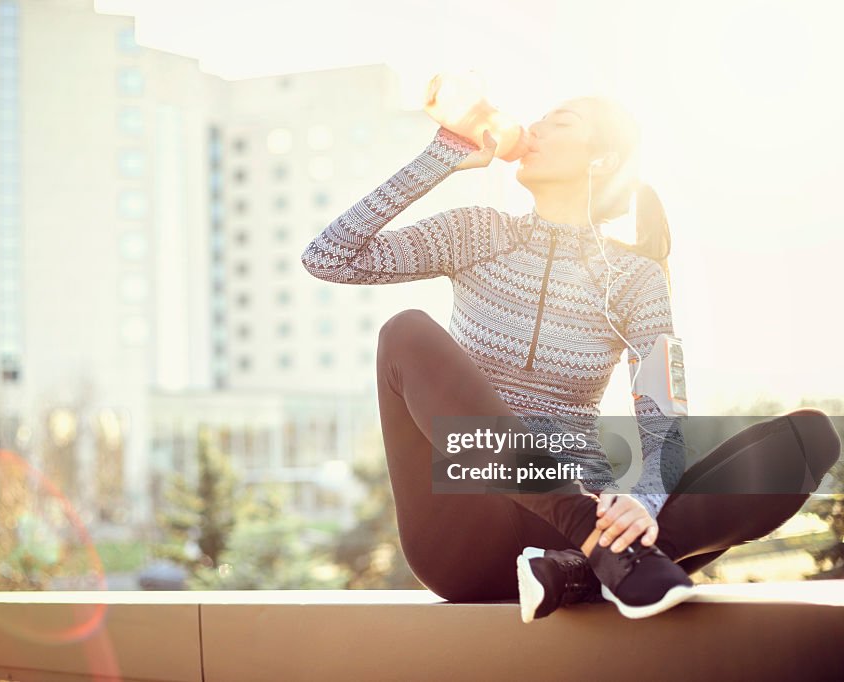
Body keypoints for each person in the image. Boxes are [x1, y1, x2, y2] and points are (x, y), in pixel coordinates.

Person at [299, 96, 842, 620]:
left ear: (600, 157)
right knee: (406, 331)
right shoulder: (476, 232)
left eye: (559, 121)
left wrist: (645, 504)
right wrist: (442, 156)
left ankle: (581, 570)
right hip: (464, 531)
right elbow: (328, 257)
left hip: (568, 536)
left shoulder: (635, 280)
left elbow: (662, 423)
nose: (534, 128)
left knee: (808, 437)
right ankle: (597, 542)